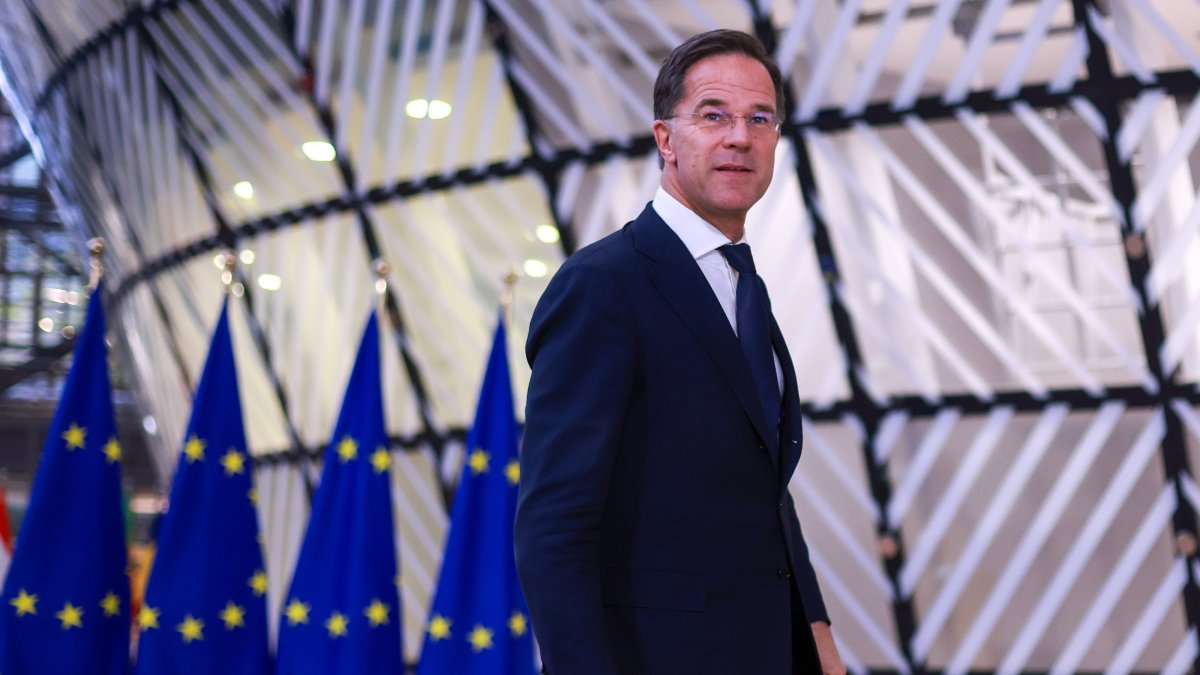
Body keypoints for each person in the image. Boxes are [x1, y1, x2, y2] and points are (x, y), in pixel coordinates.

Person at [514, 29, 845, 674]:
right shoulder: (604, 284)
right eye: (713, 116)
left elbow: (763, 490)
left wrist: (819, 639)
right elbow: (553, 527)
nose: (739, 137)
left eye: (760, 119)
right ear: (666, 138)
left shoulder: (740, 282)